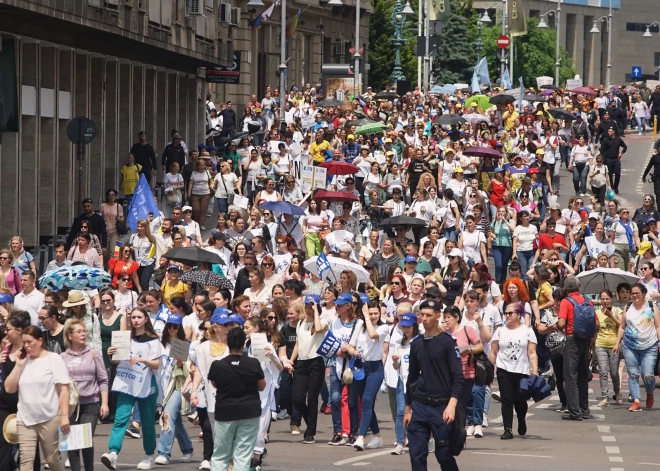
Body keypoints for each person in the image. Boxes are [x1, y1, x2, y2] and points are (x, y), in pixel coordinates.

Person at [405, 299, 463, 471]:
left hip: (442, 406)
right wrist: (408, 409)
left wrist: (451, 406)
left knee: (444, 455)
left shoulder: (447, 342)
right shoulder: (416, 343)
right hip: (420, 405)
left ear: (438, 316)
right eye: (422, 315)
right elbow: (412, 378)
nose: (424, 318)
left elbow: (458, 378)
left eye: (428, 315)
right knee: (416, 455)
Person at [101, 308, 163, 470]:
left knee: (147, 422)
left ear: (145, 319)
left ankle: (149, 455)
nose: (135, 320)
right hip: (126, 383)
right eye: (133, 317)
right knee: (121, 418)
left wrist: (142, 360)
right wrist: (111, 355)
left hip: (146, 385)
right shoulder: (124, 338)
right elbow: (116, 362)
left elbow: (157, 364)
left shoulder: (153, 340)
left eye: (139, 317)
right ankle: (113, 452)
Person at [4, 325, 72, 471]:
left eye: (30, 342)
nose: (26, 346)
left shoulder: (53, 359)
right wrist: (18, 366)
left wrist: (64, 416)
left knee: (52, 459)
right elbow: (9, 388)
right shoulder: (23, 361)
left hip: (49, 418)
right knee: (26, 462)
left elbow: (64, 390)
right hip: (25, 419)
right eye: (24, 343)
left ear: (40, 341)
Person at [207, 326, 265, 471]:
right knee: (243, 455)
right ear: (243, 344)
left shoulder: (218, 364)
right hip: (249, 412)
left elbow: (214, 384)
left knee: (221, 454)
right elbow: (262, 386)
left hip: (225, 412)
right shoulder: (253, 363)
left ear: (227, 343)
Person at [61, 318, 110, 471]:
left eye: (84, 331)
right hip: (70, 405)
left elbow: (103, 379)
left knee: (85, 439)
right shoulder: (63, 357)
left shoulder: (93, 354)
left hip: (91, 403)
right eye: (79, 331)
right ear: (69, 335)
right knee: (73, 442)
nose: (83, 334)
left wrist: (104, 403)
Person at [489, 301, 538, 439]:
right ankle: (507, 429)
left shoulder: (527, 331)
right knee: (506, 400)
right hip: (503, 369)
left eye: (510, 313)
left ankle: (521, 419)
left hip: (522, 370)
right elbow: (493, 352)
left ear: (519, 314)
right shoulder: (500, 331)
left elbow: (532, 353)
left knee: (520, 400)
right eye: (505, 313)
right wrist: (489, 369)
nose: (507, 316)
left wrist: (534, 371)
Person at [613, 283, 660, 412]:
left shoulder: (652, 306)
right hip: (630, 346)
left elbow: (658, 326)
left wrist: (659, 341)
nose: (634, 295)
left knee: (648, 375)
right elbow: (622, 327)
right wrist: (617, 343)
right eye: (632, 293)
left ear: (643, 293)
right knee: (632, 373)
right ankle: (636, 401)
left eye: (636, 293)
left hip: (649, 345)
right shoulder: (628, 307)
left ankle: (650, 393)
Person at [154, 314, 194, 465]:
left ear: (180, 328)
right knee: (174, 420)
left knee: (167, 415)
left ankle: (164, 452)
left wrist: (181, 363)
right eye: (169, 325)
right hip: (162, 385)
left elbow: (188, 369)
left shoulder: (184, 344)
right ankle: (187, 448)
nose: (171, 329)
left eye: (175, 326)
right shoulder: (159, 343)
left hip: (177, 385)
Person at [558, 276, 595, 421]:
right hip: (585, 340)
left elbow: (561, 323)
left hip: (572, 338)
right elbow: (596, 323)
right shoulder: (588, 302)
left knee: (570, 376)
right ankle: (584, 410)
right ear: (579, 288)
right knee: (582, 376)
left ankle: (574, 412)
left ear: (566, 289)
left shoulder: (566, 302)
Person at [594, 289, 622, 407]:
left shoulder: (617, 310)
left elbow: (622, 325)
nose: (604, 301)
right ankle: (605, 397)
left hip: (614, 345)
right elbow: (595, 330)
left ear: (611, 299)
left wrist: (611, 316)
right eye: (602, 299)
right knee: (603, 372)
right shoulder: (596, 312)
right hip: (600, 344)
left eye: (607, 299)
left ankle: (617, 392)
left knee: (614, 372)